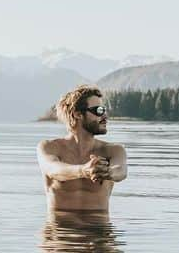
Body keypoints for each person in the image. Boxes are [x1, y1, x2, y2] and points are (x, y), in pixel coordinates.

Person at [37, 84, 127, 212]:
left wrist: (107, 172)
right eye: (99, 111)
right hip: (58, 230)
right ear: (78, 114)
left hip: (99, 230)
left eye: (105, 110)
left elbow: (121, 171)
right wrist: (83, 170)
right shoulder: (49, 147)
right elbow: (53, 169)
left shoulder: (113, 150)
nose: (105, 117)